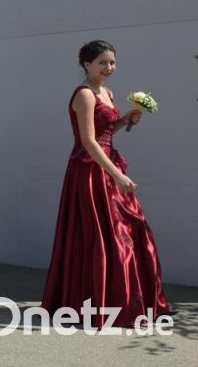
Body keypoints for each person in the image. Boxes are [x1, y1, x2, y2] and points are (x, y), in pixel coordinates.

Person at [41, 40, 170, 327]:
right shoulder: (85, 95)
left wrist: (125, 119)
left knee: (127, 230)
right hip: (90, 171)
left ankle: (127, 301)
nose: (109, 67)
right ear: (86, 64)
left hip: (108, 164)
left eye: (112, 62)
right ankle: (98, 305)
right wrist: (116, 174)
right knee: (101, 236)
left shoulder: (107, 92)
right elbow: (88, 141)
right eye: (102, 62)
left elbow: (106, 131)